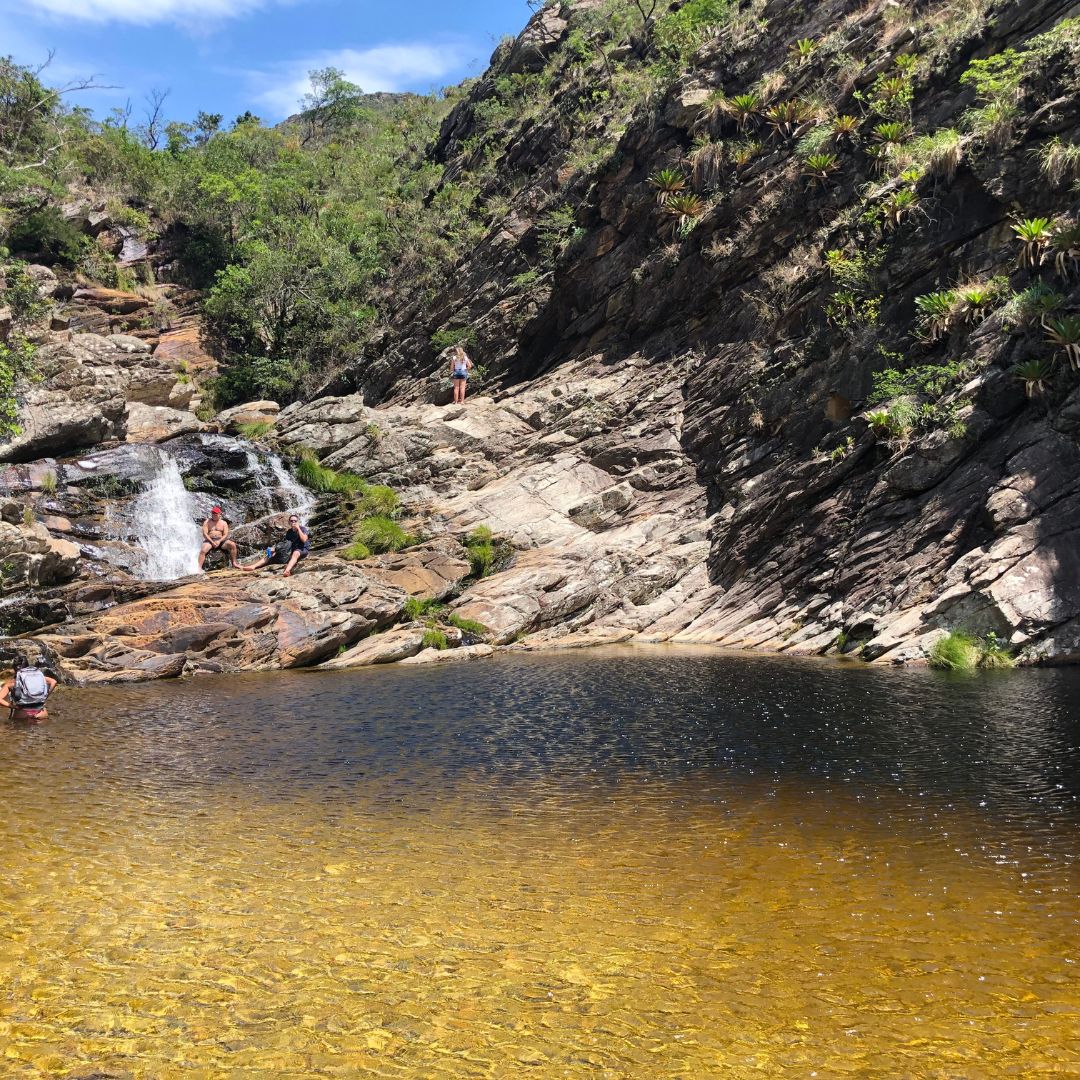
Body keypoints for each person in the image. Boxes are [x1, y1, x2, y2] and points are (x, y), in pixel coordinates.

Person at [240, 514, 310, 577]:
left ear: (298, 522)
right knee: (270, 551)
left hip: (302, 549)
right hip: (291, 549)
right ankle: (255, 566)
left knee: (296, 553)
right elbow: (285, 543)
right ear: (289, 522)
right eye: (291, 521)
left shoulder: (302, 529)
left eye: (295, 521)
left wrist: (298, 529)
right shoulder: (289, 532)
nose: (293, 522)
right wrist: (275, 549)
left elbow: (304, 540)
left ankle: (287, 571)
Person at [0, 655, 57, 723]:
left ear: (14, 668)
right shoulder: (38, 677)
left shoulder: (12, 682)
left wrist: (13, 707)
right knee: (41, 733)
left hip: (22, 713)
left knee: (20, 733)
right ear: (27, 666)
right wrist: (46, 696)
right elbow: (54, 681)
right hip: (41, 712)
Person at [199, 506, 239, 570]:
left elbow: (225, 534)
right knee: (203, 550)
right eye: (213, 513)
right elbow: (205, 534)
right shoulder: (207, 522)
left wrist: (219, 541)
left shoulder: (224, 523)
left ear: (220, 514)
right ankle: (199, 568)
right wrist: (212, 542)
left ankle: (234, 563)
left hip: (221, 540)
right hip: (210, 540)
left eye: (216, 513)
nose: (214, 515)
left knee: (233, 545)